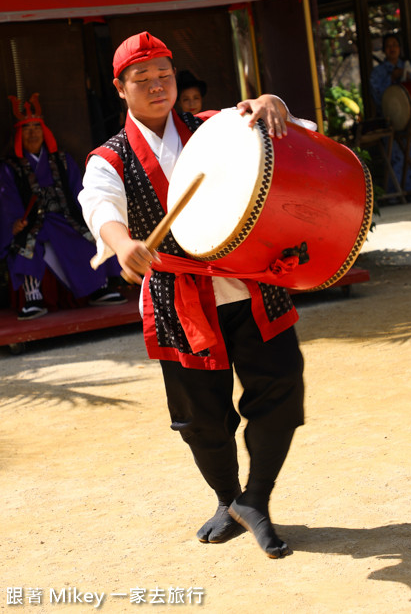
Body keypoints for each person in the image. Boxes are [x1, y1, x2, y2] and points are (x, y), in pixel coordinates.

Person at [79, 31, 308, 558]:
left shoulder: (218, 127)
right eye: (143, 79)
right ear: (121, 88)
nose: (158, 86)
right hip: (177, 298)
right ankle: (229, 498)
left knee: (282, 391)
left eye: (165, 75)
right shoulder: (108, 159)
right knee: (199, 419)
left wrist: (276, 104)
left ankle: (258, 498)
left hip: (248, 285)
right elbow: (100, 207)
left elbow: (293, 134)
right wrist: (123, 243)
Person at [0, 93, 126, 320]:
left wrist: (88, 215)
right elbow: (7, 198)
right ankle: (33, 298)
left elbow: (79, 190)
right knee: (27, 247)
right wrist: (14, 222)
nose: (32, 133)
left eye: (36, 128)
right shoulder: (10, 167)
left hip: (65, 217)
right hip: (33, 223)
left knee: (90, 237)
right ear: (18, 134)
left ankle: (100, 288)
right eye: (26, 129)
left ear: (44, 131)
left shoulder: (61, 160)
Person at [370, 32, 411, 193]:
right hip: (391, 120)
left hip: (410, 119)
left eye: (395, 45)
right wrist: (391, 79)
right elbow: (376, 94)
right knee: (394, 157)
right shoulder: (378, 72)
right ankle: (396, 193)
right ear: (384, 50)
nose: (392, 48)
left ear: (399, 48)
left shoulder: (408, 66)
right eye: (389, 46)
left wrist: (408, 76)